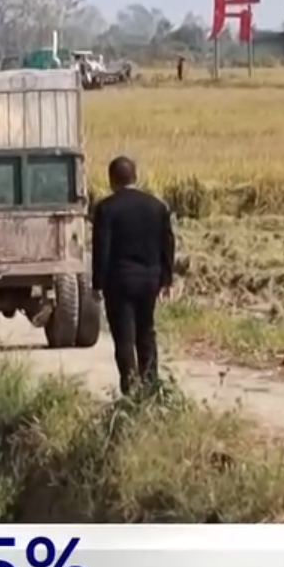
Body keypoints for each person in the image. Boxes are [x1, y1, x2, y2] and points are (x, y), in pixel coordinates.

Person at [90, 156, 176, 397]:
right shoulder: (157, 207)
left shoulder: (106, 208)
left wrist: (97, 284)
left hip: (119, 282)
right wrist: (166, 279)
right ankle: (151, 385)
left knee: (124, 337)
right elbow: (168, 244)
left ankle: (130, 389)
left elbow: (102, 248)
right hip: (150, 280)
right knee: (146, 332)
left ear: (111, 180)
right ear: (135, 177)